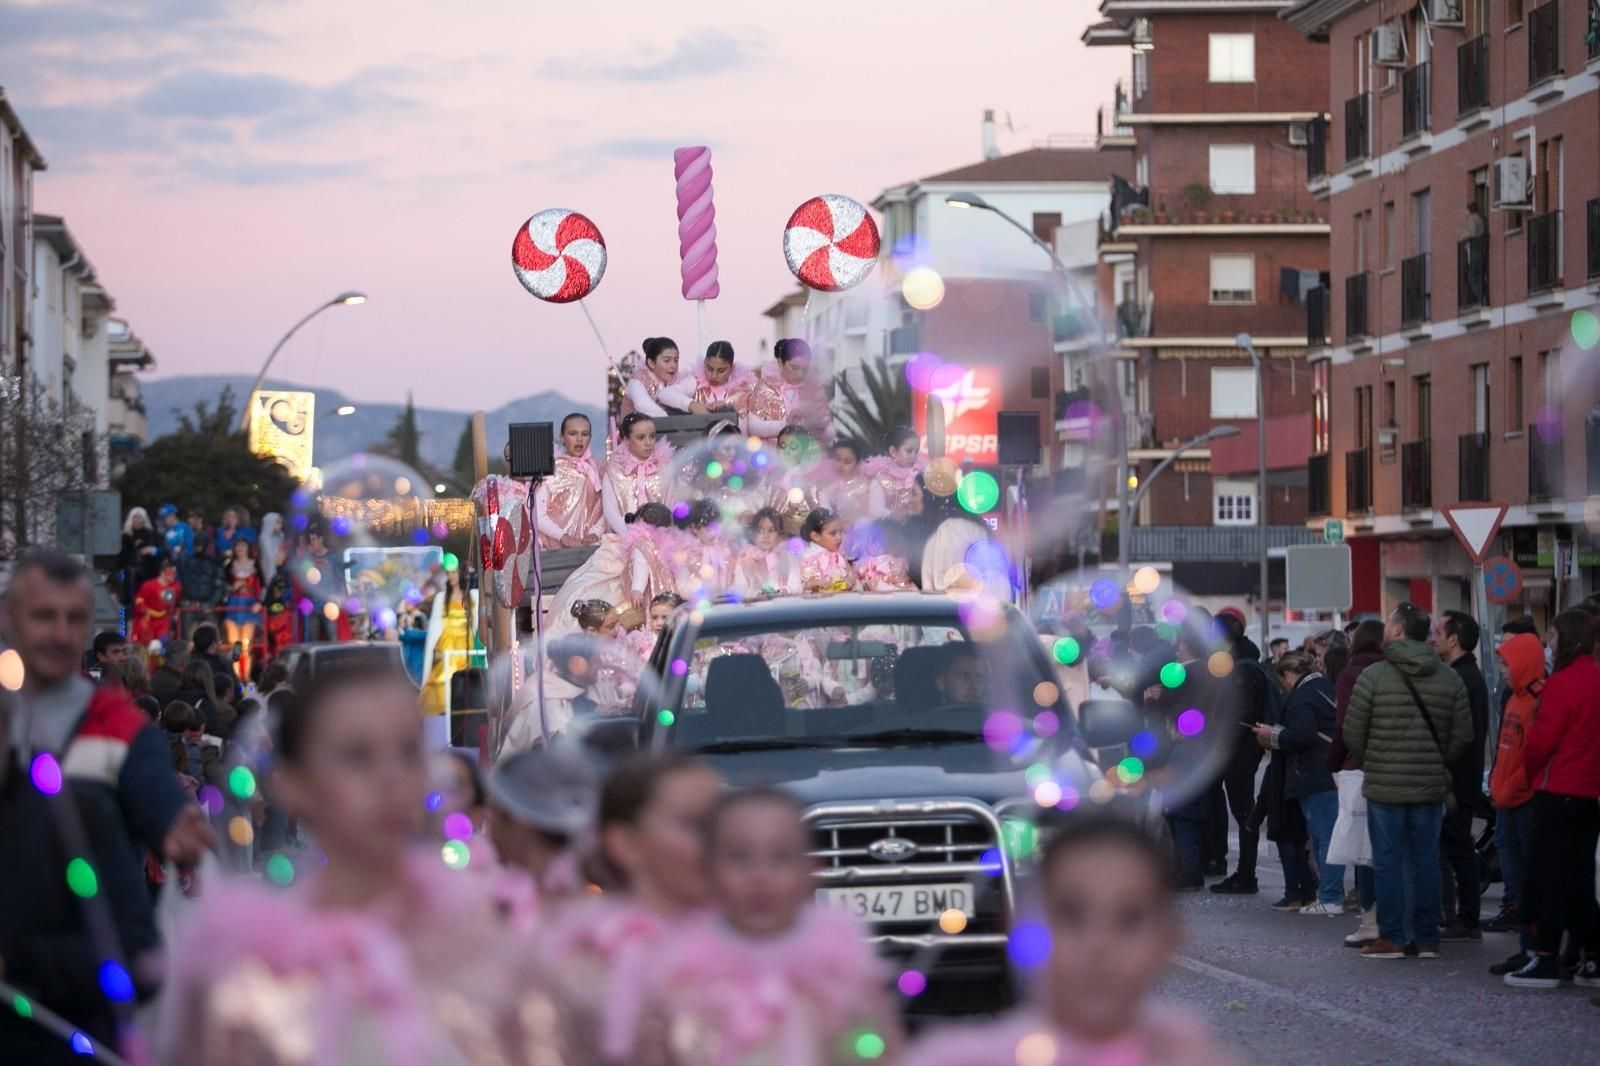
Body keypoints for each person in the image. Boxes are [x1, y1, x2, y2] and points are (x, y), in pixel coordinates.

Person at [155, 656, 546, 1063]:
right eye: (357, 755)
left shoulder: (485, 927)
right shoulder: (242, 970)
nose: (391, 777)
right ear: (292, 784)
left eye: (409, 752)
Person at [903, 816, 1238, 1066]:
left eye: (1129, 918)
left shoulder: (1190, 1055)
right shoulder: (965, 1059)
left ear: (1169, 938)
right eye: (1070, 915)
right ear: (1021, 927)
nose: (1099, 944)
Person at [635, 788, 898, 1065]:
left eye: (781, 857)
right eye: (739, 856)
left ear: (810, 871)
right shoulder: (676, 976)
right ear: (707, 869)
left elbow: (878, 1051)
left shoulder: (842, 973)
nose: (760, 876)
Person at [0, 551, 212, 868]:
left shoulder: (106, 711)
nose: (61, 633)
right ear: (10, 618)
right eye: (45, 616)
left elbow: (147, 770)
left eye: (74, 618)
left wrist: (171, 816)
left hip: (95, 908)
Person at [540, 754, 722, 1064]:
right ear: (627, 844)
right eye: (694, 824)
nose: (718, 839)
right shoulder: (584, 959)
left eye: (720, 821)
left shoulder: (748, 943)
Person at [1343, 601, 1471, 960]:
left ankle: (1395, 936)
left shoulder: (1374, 676)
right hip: (1430, 783)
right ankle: (1427, 937)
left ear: (1398, 631)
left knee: (1387, 860)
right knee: (1425, 860)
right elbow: (1463, 733)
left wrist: (1375, 760)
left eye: (1388, 624)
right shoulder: (1450, 677)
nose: (1384, 629)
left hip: (1384, 783)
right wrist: (1436, 759)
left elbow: (1353, 731)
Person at [1503, 609, 1600, 989]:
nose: (1550, 646)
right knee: (1578, 879)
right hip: (1588, 794)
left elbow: (1540, 742)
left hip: (1557, 788)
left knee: (1545, 878)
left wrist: (1531, 772)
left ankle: (1544, 956)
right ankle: (1590, 957)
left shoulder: (1562, 683)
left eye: (1554, 638)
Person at [1256, 650, 1343, 915]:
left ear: (1288, 674)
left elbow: (1302, 735)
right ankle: (1328, 893)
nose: (1282, 686)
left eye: (1282, 680)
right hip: (1328, 771)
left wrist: (1273, 734)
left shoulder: (1302, 696)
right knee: (1325, 836)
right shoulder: (1324, 686)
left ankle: (1329, 896)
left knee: (1323, 837)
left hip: (1314, 774)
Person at [486, 746, 600, 931]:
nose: (488, 825)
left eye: (494, 813)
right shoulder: (592, 891)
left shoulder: (493, 904)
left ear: (518, 822)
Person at [1485, 628, 1546, 973]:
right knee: (1514, 875)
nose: (1504, 670)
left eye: (1507, 662)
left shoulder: (1537, 698)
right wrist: (1496, 783)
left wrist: (1508, 790)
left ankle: (1536, 947)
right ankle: (1526, 946)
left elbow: (1533, 756)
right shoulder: (1515, 697)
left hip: (1523, 801)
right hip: (1506, 799)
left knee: (1529, 878)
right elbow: (1506, 749)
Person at [1326, 618, 1386, 946]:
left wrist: (1336, 763)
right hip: (1400, 766)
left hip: (1362, 766)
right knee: (1397, 848)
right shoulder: (1398, 670)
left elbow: (1347, 726)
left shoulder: (1352, 673)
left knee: (1365, 849)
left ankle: (1371, 919)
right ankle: (1407, 922)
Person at [1432, 609, 1489, 942]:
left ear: (1454, 639)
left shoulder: (1464, 679)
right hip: (1456, 778)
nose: (1434, 637)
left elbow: (1464, 736)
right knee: (1453, 847)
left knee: (1458, 848)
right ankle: (1457, 916)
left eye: (1439, 631)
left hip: (1457, 780)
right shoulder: (1460, 675)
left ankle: (1467, 919)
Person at [1210, 611, 1272, 896]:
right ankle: (1245, 872)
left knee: (1244, 811)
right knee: (1244, 810)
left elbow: (1239, 716)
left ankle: (1247, 874)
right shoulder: (1246, 663)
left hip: (1240, 752)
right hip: (1244, 750)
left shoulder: (1242, 669)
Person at [535, 413, 607, 550]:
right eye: (573, 434)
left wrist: (596, 533)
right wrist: (563, 537)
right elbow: (537, 513)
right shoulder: (551, 470)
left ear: (590, 438)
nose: (579, 439)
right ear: (562, 437)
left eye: (585, 434)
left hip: (591, 549)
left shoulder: (597, 470)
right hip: (555, 551)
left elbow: (608, 508)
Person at [602, 413, 671, 536]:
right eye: (641, 437)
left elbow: (673, 503)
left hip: (662, 537)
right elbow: (610, 511)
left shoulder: (665, 467)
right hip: (623, 537)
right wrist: (631, 535)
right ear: (626, 440)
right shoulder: (614, 470)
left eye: (652, 436)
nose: (648, 443)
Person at [749, 337, 828, 442]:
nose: (800, 374)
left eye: (805, 369)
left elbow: (829, 431)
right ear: (781, 363)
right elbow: (753, 427)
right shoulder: (766, 387)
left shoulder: (814, 388)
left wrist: (811, 417)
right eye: (794, 368)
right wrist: (786, 424)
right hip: (773, 454)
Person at [734, 507, 801, 598]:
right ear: (753, 534)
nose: (765, 536)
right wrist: (756, 594)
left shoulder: (788, 557)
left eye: (771, 530)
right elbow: (739, 590)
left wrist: (784, 591)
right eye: (760, 530)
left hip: (785, 607)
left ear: (779, 534)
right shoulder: (746, 560)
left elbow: (796, 585)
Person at [220, 539, 263, 681]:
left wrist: (260, 602)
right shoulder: (229, 565)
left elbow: (264, 586)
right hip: (234, 604)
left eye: (243, 545)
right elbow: (223, 586)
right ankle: (237, 676)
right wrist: (233, 587)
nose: (240, 548)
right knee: (235, 643)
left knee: (246, 643)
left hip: (249, 605)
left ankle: (247, 676)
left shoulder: (255, 564)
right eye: (237, 545)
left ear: (248, 547)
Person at [865, 427, 928, 523]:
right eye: (909, 451)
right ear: (893, 451)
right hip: (891, 530)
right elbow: (874, 510)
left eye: (916, 451)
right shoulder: (881, 478)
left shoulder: (920, 475)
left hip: (919, 527)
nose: (913, 456)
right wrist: (893, 515)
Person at [623, 336, 695, 418]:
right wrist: (669, 421)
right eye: (667, 361)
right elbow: (642, 404)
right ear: (651, 363)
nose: (673, 365)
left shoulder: (676, 382)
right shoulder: (637, 382)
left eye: (676, 360)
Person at [688, 340, 753, 426]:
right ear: (705, 362)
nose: (714, 375)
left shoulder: (744, 391)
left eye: (721, 370)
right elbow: (667, 394)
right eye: (710, 369)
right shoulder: (694, 382)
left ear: (732, 368)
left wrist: (726, 403)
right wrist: (692, 405)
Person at [798, 508, 857, 593]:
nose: (839, 537)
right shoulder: (809, 557)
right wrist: (817, 583)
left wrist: (849, 581)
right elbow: (807, 584)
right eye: (833, 533)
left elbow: (851, 576)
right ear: (815, 536)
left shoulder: (839, 556)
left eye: (840, 532)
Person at [820, 437, 873, 527]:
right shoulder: (826, 484)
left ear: (858, 463)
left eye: (847, 462)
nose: (840, 465)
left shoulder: (866, 486)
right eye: (837, 459)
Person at [130, 559, 182, 648]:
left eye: (174, 572)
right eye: (170, 571)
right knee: (143, 646)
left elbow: (175, 600)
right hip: (147, 620)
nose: (173, 575)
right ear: (162, 572)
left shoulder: (176, 586)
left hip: (163, 621)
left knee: (163, 644)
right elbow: (139, 600)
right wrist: (144, 610)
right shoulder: (148, 585)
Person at [119, 505, 163, 605]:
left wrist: (151, 550)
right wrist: (127, 539)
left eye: (139, 517)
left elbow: (162, 550)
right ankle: (126, 619)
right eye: (135, 517)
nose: (137, 520)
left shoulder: (152, 534)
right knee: (129, 602)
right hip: (130, 573)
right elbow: (121, 556)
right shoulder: (125, 536)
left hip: (148, 572)